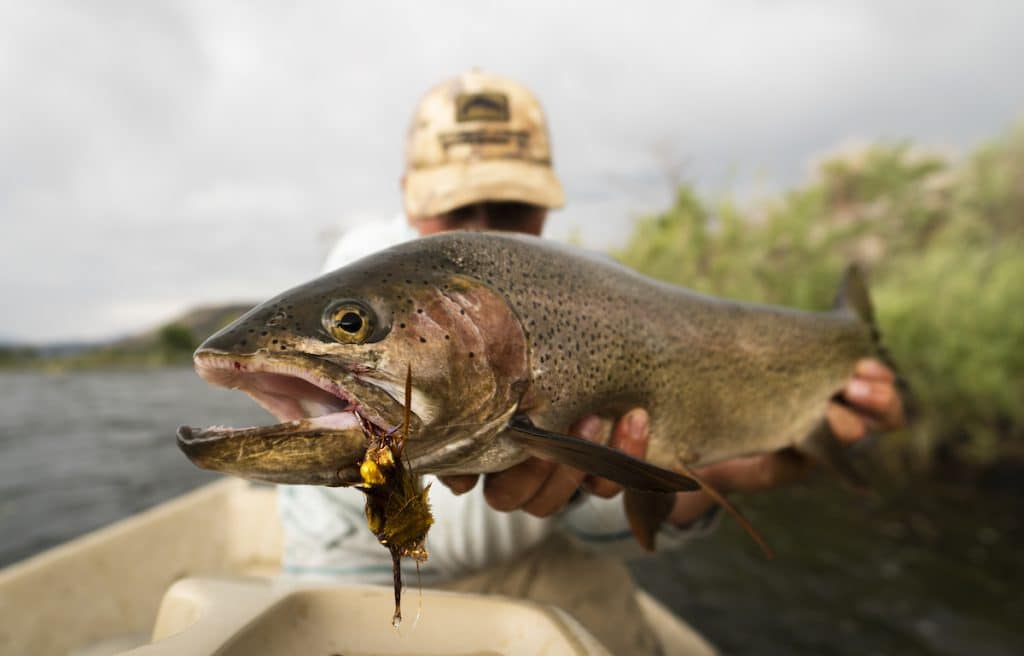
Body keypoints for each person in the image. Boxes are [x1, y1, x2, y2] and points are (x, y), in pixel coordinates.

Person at [280, 70, 905, 654]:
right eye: (457, 209)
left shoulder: (560, 288)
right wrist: (579, 472)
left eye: (512, 209)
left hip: (518, 559)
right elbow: (462, 534)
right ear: (408, 198)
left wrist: (739, 470)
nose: (485, 229)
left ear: (547, 201)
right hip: (371, 582)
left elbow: (595, 525)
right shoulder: (367, 277)